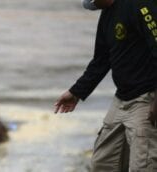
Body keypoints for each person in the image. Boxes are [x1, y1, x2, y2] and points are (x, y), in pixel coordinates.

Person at [54, 0, 157, 171]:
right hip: (122, 99)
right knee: (103, 163)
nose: (92, 6)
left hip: (146, 99)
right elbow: (102, 59)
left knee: (143, 166)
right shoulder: (108, 13)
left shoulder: (141, 5)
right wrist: (76, 92)